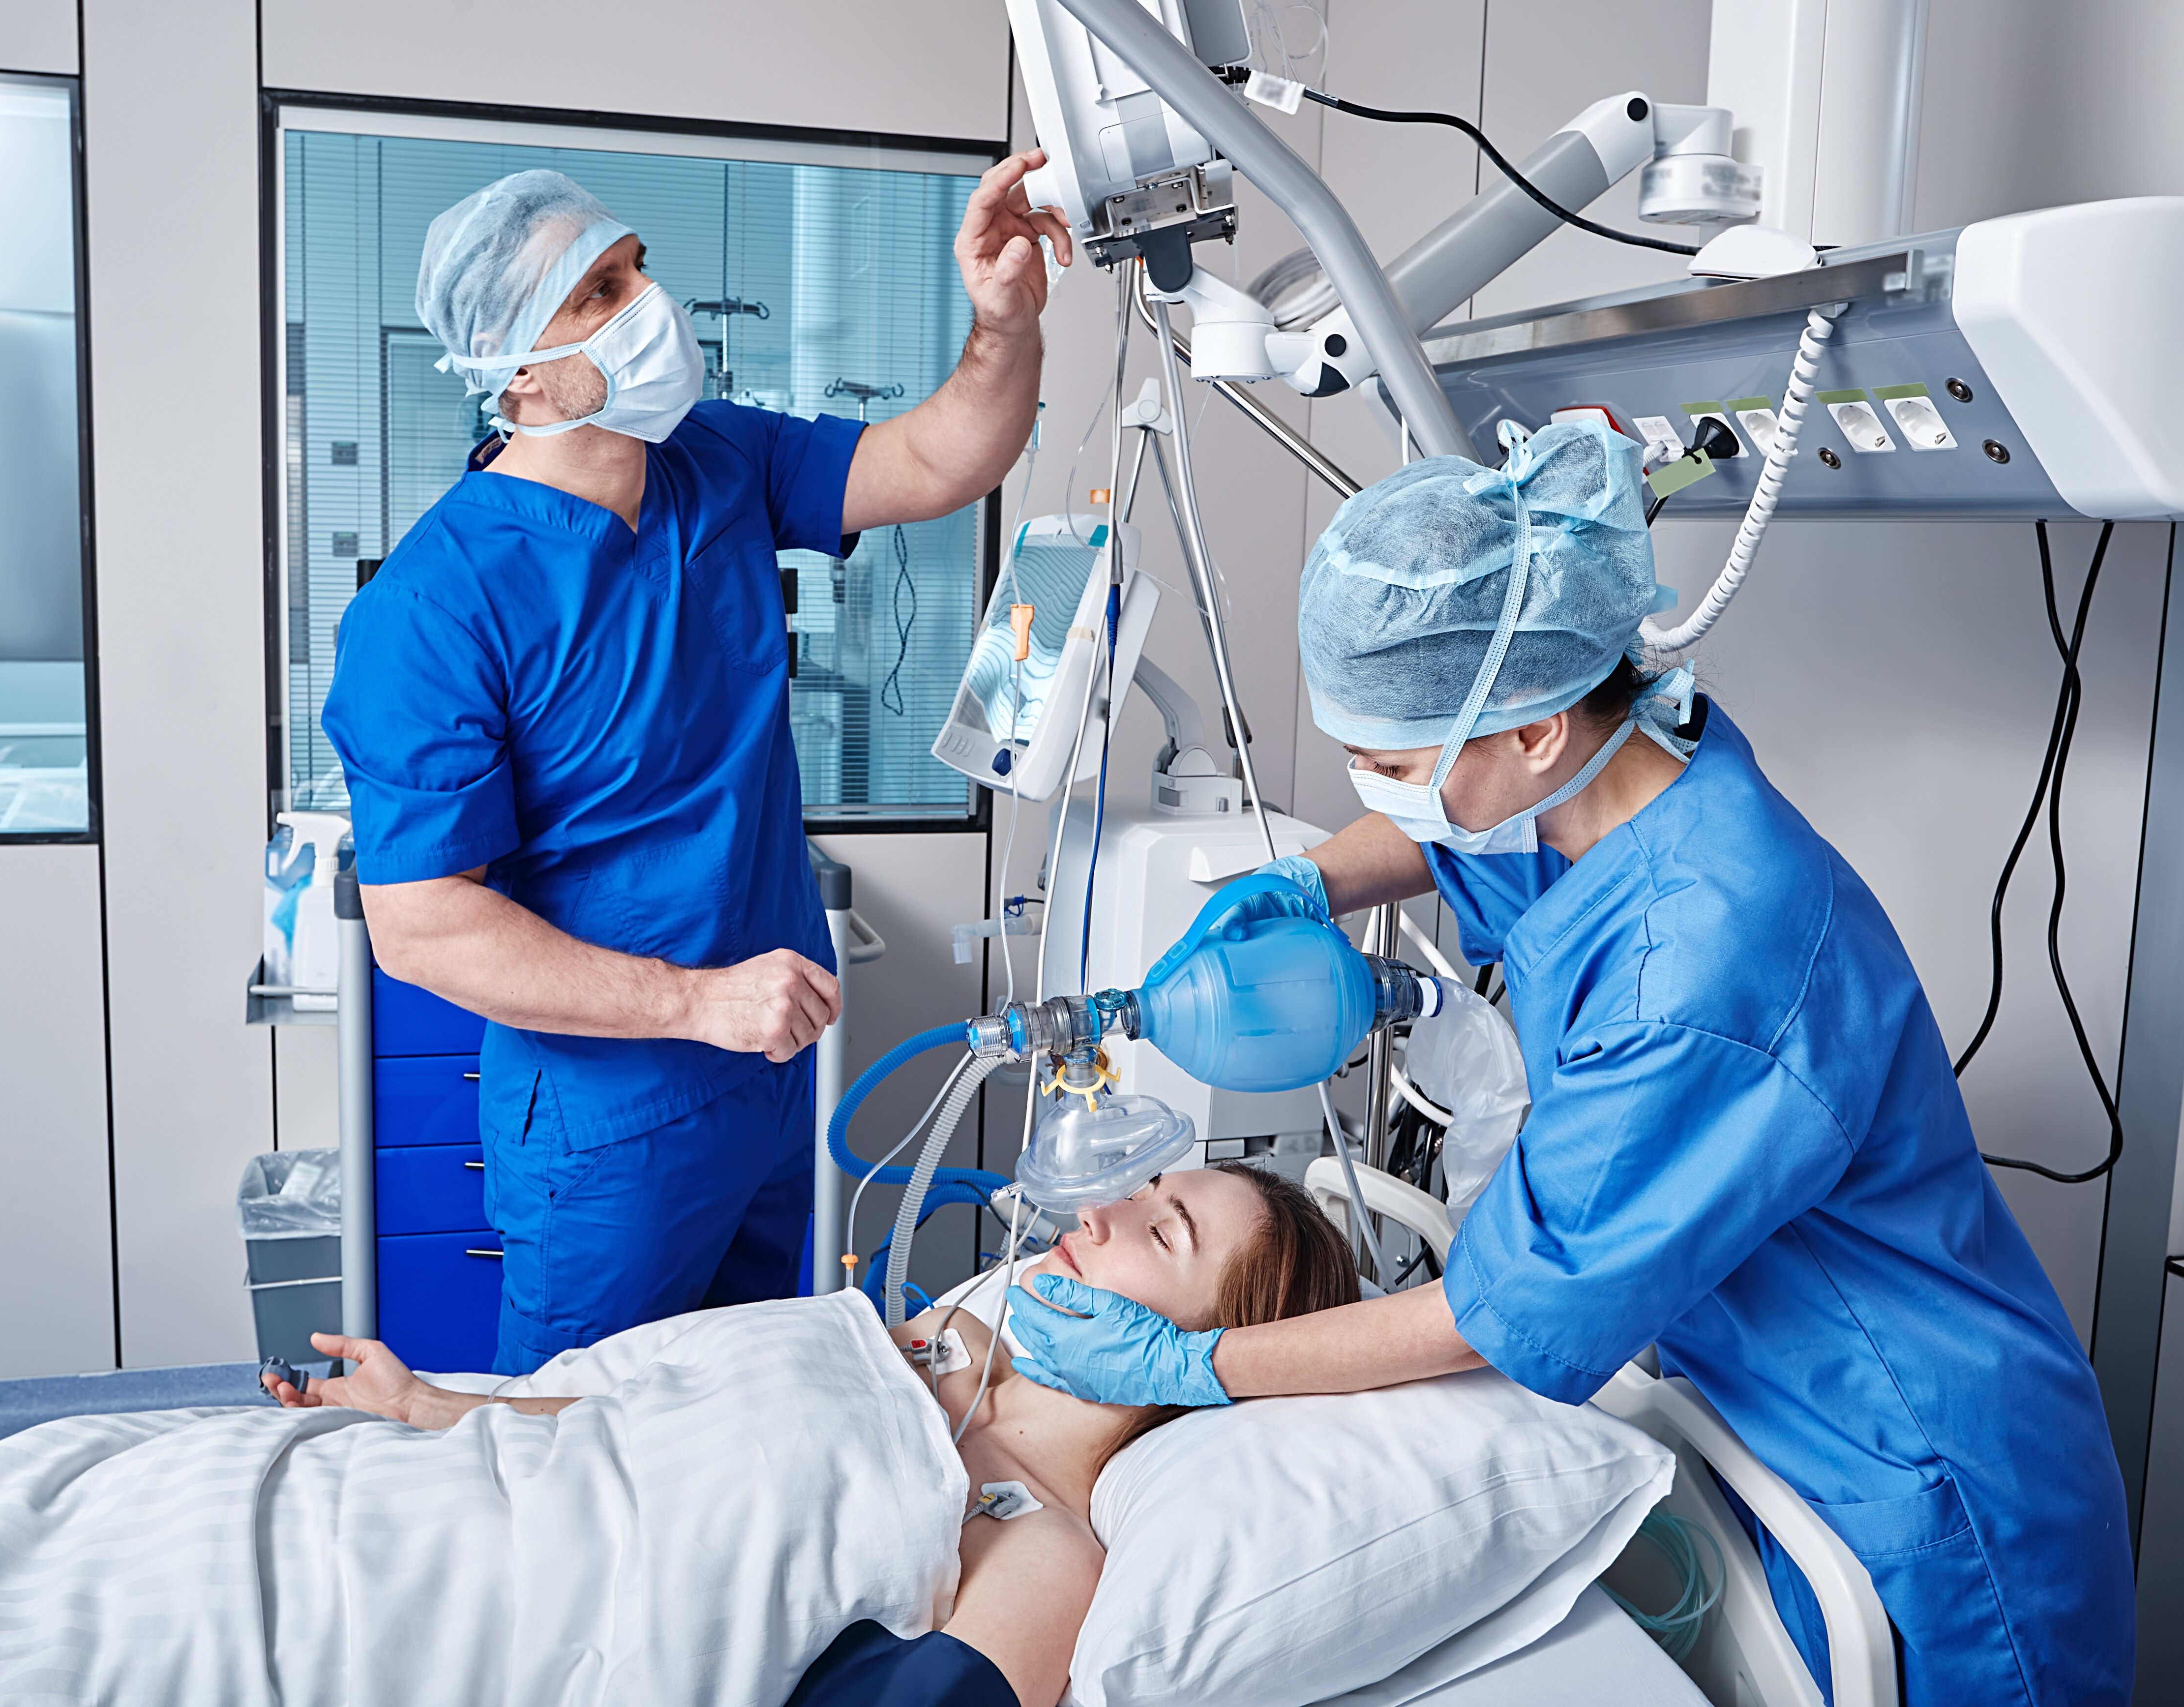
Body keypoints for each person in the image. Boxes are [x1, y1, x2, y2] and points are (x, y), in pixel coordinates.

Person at [1005, 420, 2135, 1705]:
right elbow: (1477, 837)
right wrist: (1307, 879)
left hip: (1917, 1490)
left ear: (1531, 732)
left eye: (1390, 766)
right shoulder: (1637, 757)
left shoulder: (1690, 975)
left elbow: (1495, 1319)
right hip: (1763, 1400)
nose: (1377, 797)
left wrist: (1188, 1370)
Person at [323, 160, 1071, 1375]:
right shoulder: (433, 606)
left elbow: (938, 461)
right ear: (517, 370)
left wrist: (1003, 323)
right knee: (582, 1459)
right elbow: (424, 928)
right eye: (600, 293)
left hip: (765, 1087)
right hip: (609, 1128)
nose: (649, 304)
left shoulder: (715, 462)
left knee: (747, 1431)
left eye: (637, 268)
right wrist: (695, 1003)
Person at [268, 1162, 1359, 1707]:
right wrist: (435, 1408)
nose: (1100, 1213)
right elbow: (646, 1423)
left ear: (1212, 1357)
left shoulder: (1047, 1549)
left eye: (1159, 1231)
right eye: (1142, 1188)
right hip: (417, 1504)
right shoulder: (930, 1343)